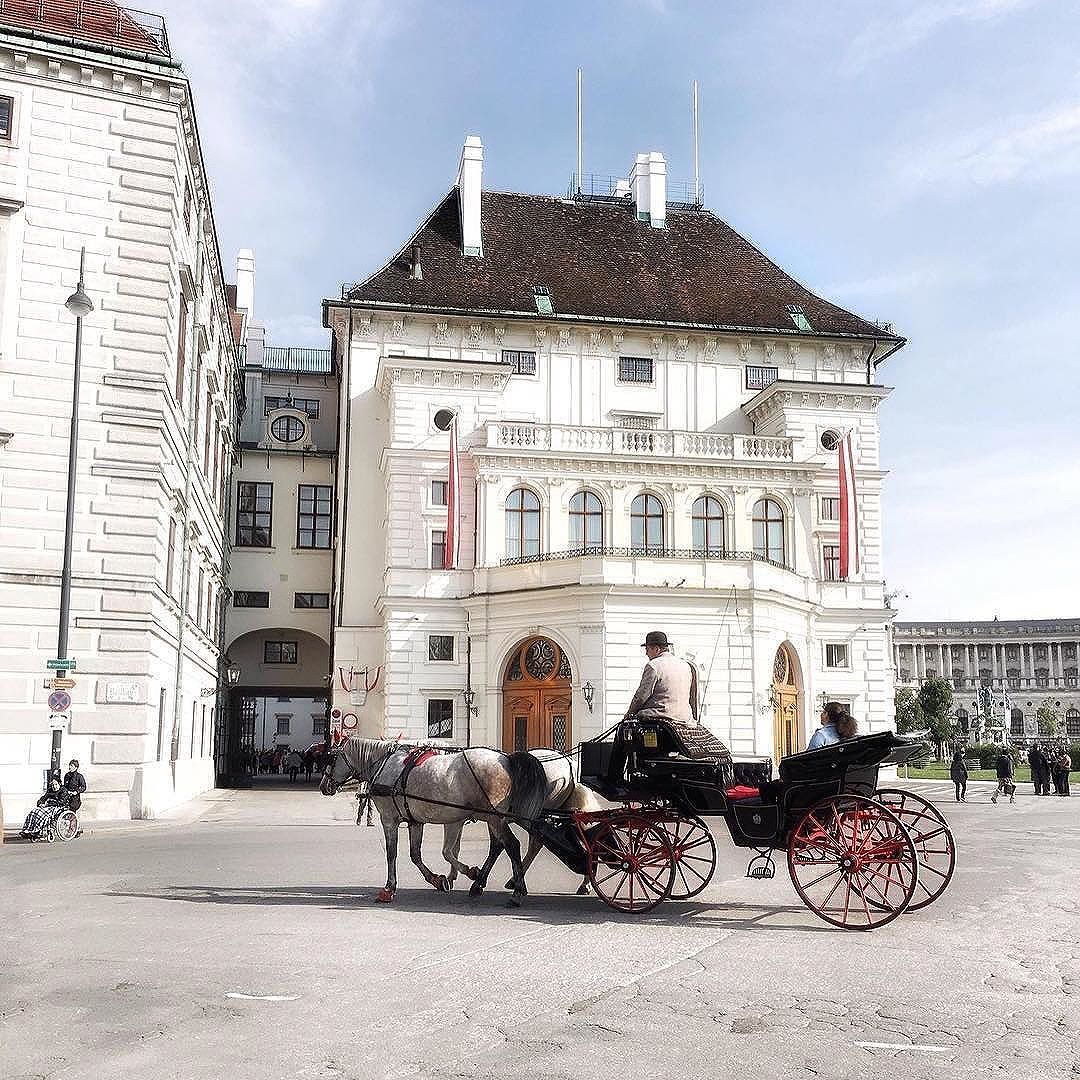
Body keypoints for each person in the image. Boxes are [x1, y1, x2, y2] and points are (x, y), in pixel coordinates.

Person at [608, 630, 728, 786]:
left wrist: (628, 714)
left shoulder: (653, 666)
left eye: (648, 648)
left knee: (622, 731)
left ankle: (614, 778)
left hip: (660, 719)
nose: (646, 652)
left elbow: (641, 696)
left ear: (656, 649)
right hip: (684, 720)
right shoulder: (685, 666)